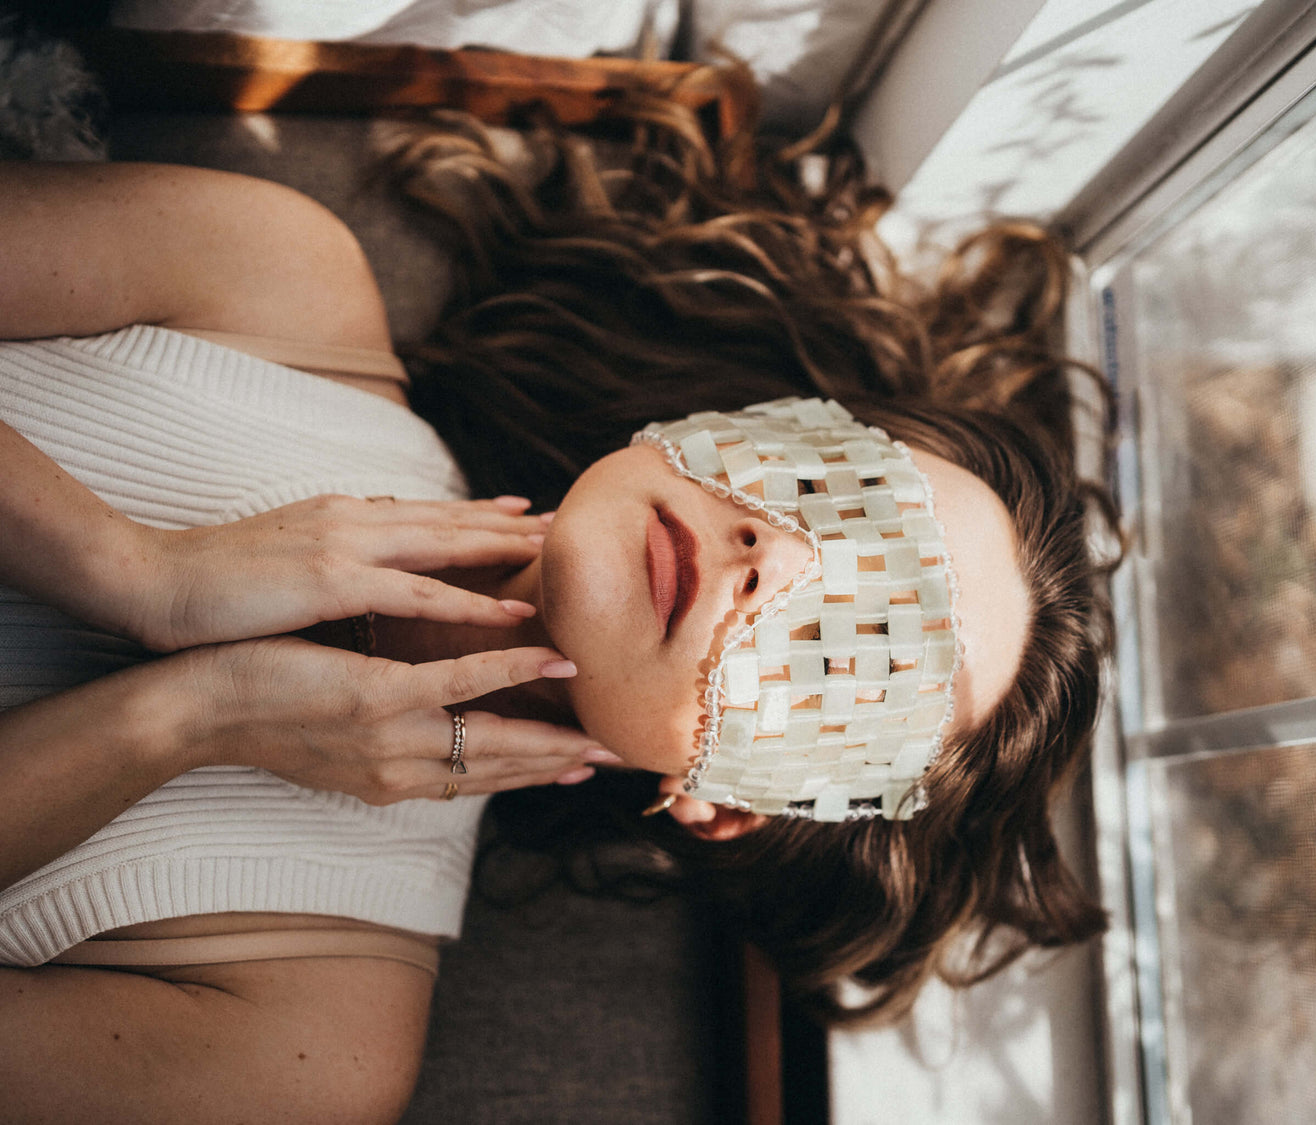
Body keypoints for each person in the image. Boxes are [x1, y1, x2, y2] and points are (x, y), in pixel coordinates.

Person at [0, 74, 1114, 1123]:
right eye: (838, 494)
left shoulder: (304, 1045)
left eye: (850, 653)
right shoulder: (273, 275)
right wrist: (134, 571)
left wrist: (193, 717)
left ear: (728, 804)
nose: (777, 560)